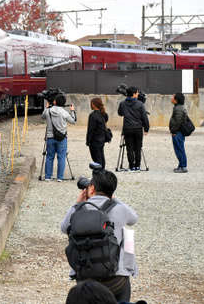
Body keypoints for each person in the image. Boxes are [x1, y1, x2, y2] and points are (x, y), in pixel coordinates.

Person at [61, 170, 138, 302]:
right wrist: (114, 199)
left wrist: (78, 203)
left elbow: (63, 228)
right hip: (115, 281)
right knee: (127, 237)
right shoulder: (120, 209)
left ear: (91, 188)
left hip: (85, 280)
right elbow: (134, 219)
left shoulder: (77, 209)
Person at [41, 94, 77, 181]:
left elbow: (42, 117)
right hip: (62, 138)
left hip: (50, 137)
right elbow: (73, 121)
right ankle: (60, 177)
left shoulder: (48, 111)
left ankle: (48, 176)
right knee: (61, 157)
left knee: (49, 157)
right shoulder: (64, 112)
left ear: (54, 102)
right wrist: (72, 111)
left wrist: (46, 107)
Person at [117, 86, 150, 171]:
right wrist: (146, 128)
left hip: (127, 128)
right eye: (137, 93)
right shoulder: (140, 104)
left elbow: (120, 113)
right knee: (138, 148)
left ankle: (131, 166)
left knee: (130, 148)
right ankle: (137, 166)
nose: (138, 94)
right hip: (138, 128)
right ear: (134, 94)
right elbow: (144, 117)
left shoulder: (123, 104)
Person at [86, 97, 108, 170]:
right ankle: (103, 171)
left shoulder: (93, 115)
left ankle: (99, 174)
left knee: (96, 158)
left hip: (95, 140)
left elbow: (91, 129)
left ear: (94, 104)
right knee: (101, 155)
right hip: (102, 138)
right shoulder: (103, 114)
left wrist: (88, 141)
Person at [169, 92, 188, 173]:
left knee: (180, 149)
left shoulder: (179, 108)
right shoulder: (177, 107)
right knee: (178, 149)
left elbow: (178, 122)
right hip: (178, 131)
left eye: (173, 96)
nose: (171, 98)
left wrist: (173, 131)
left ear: (176, 99)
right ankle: (181, 165)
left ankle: (183, 166)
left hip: (178, 132)